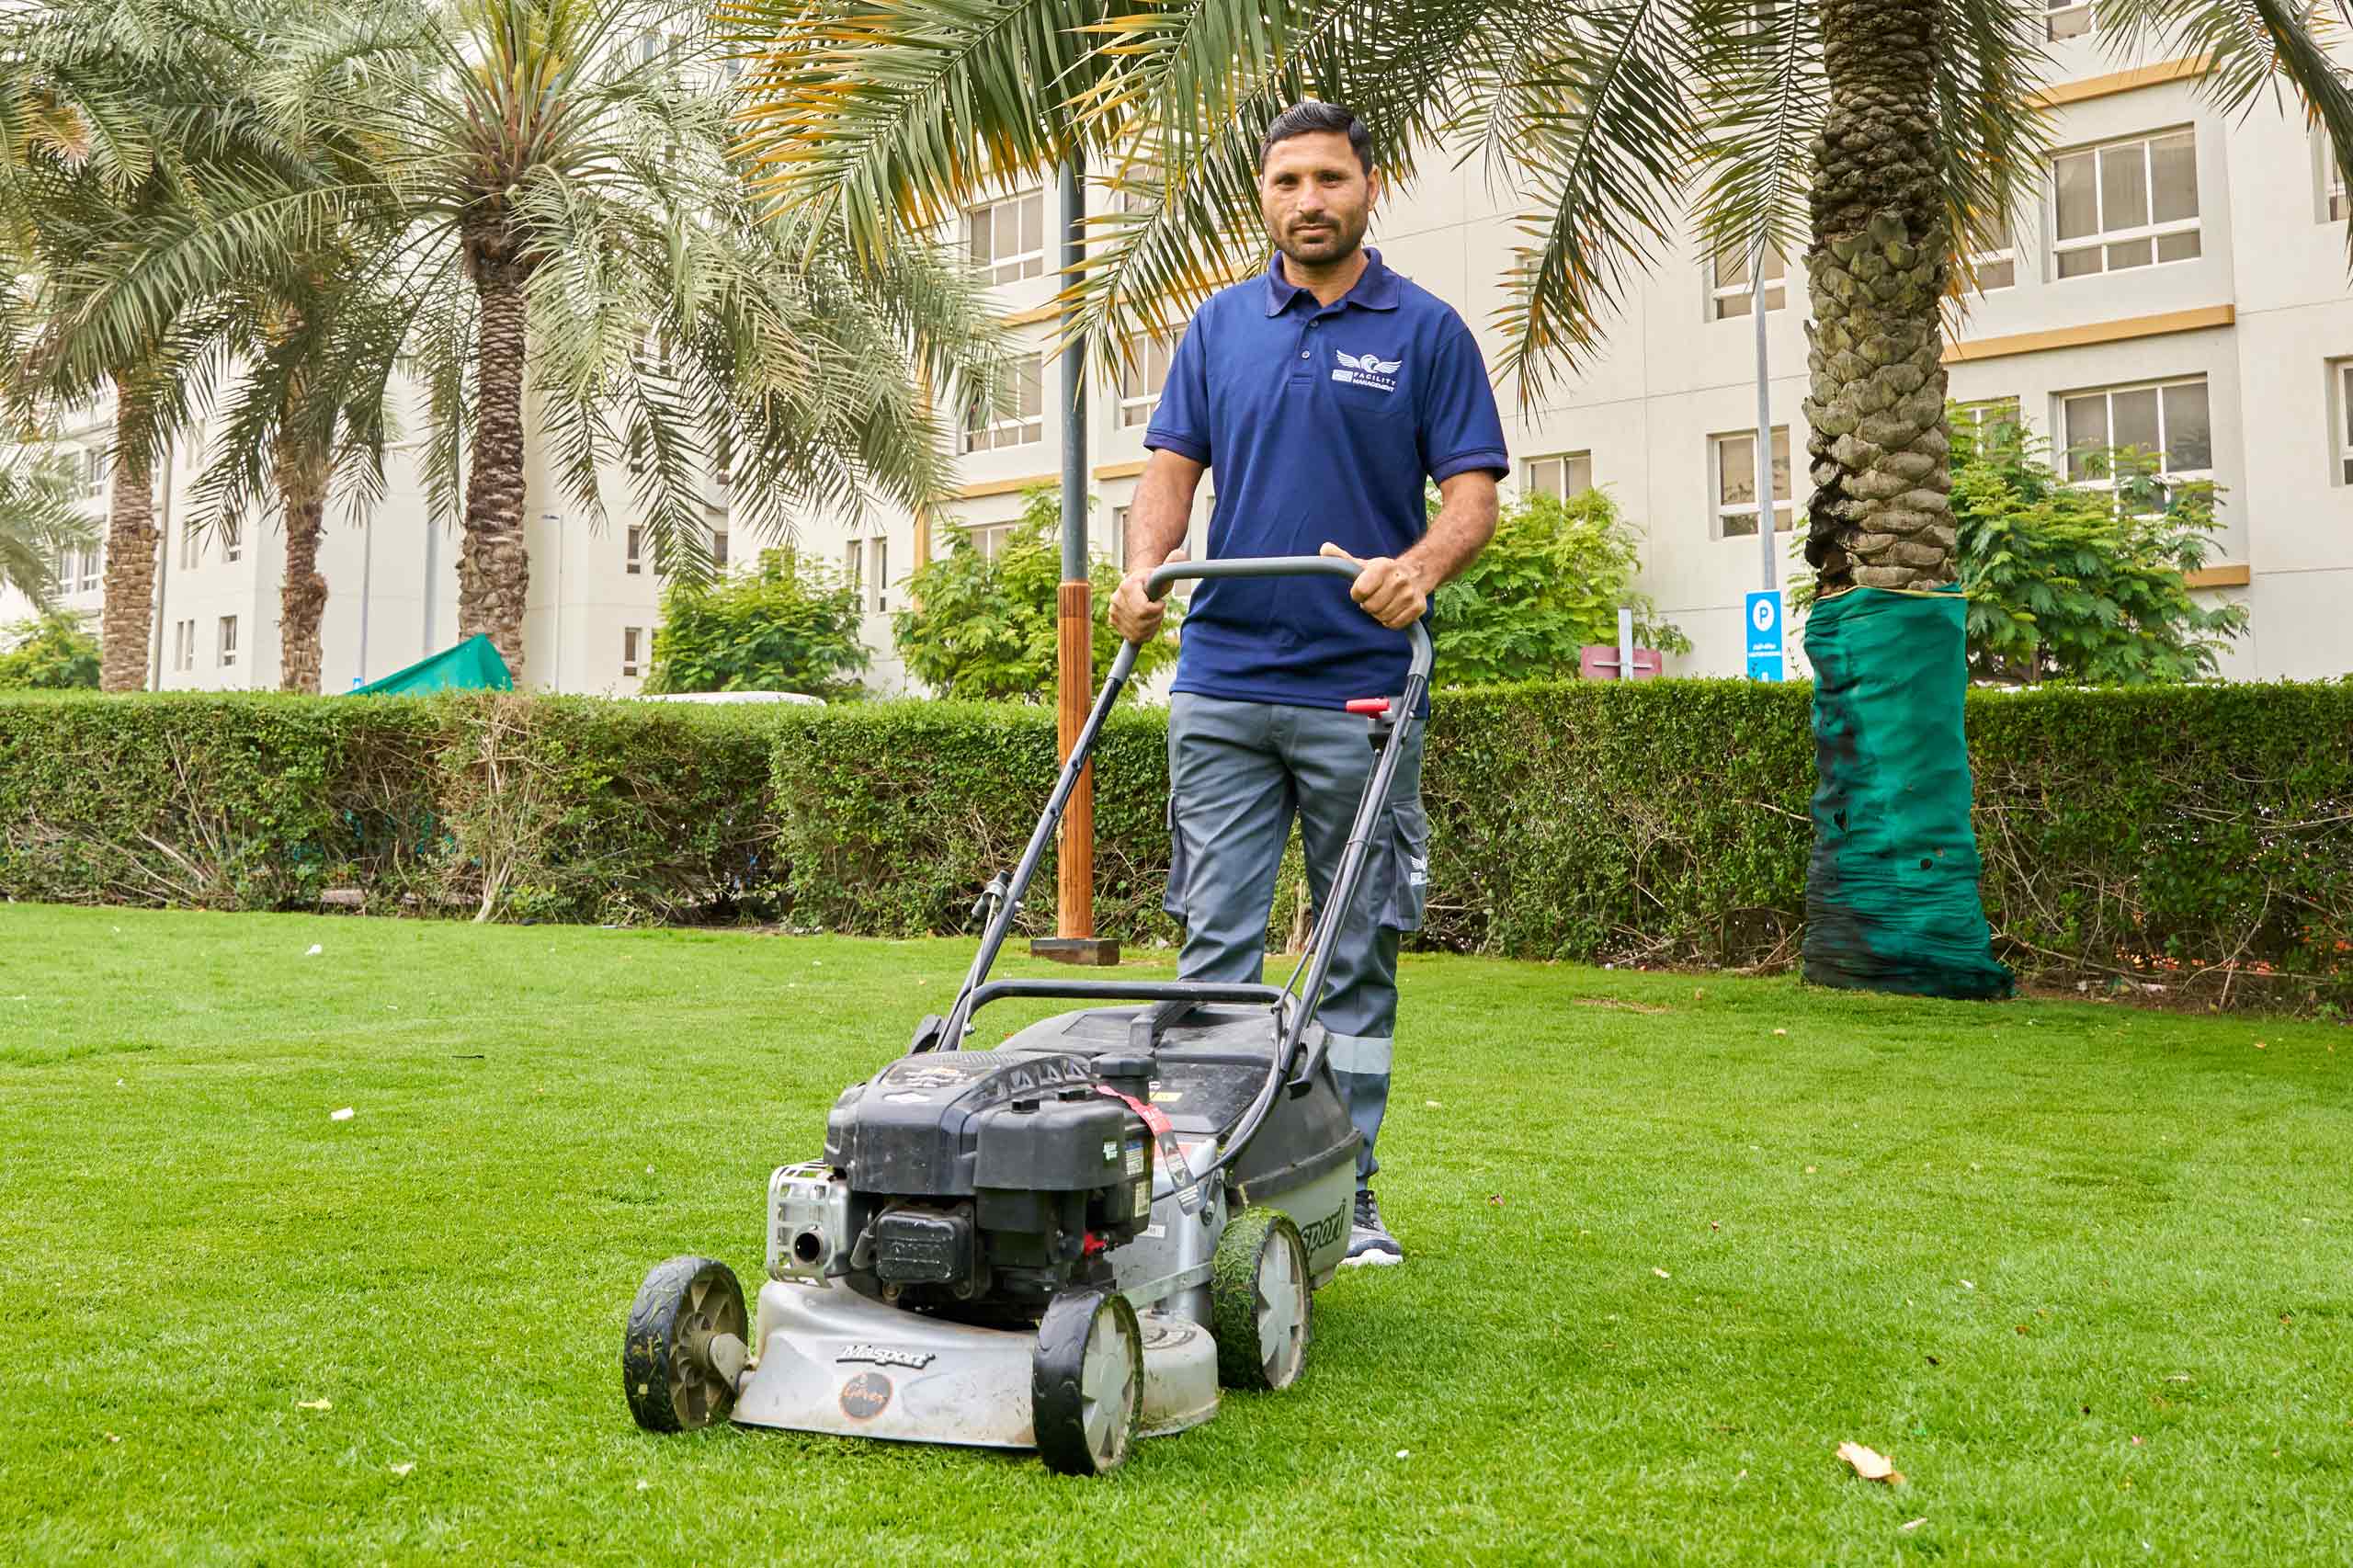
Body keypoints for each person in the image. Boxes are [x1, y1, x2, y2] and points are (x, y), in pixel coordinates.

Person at [1110, 101, 1506, 1267]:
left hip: (1363, 688)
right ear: (1264, 197)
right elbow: (1169, 473)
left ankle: (1349, 1192)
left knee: (1356, 949)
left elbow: (1472, 497)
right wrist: (1143, 571)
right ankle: (1198, 1187)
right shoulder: (1218, 327)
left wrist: (1418, 569)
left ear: (1368, 187)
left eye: (1329, 178)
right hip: (1223, 679)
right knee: (1213, 951)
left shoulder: (1426, 331)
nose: (1309, 200)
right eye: (1287, 181)